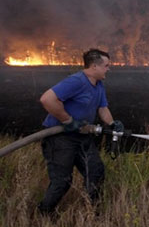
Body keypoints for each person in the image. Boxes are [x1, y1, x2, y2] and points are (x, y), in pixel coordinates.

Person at [37, 48, 123, 215]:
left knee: (96, 172)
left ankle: (94, 213)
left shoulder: (98, 85)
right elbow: (47, 99)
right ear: (93, 66)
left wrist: (112, 124)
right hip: (59, 138)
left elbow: (102, 107)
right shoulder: (76, 81)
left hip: (82, 137)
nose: (109, 69)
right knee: (62, 181)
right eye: (106, 66)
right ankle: (44, 214)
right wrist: (68, 121)